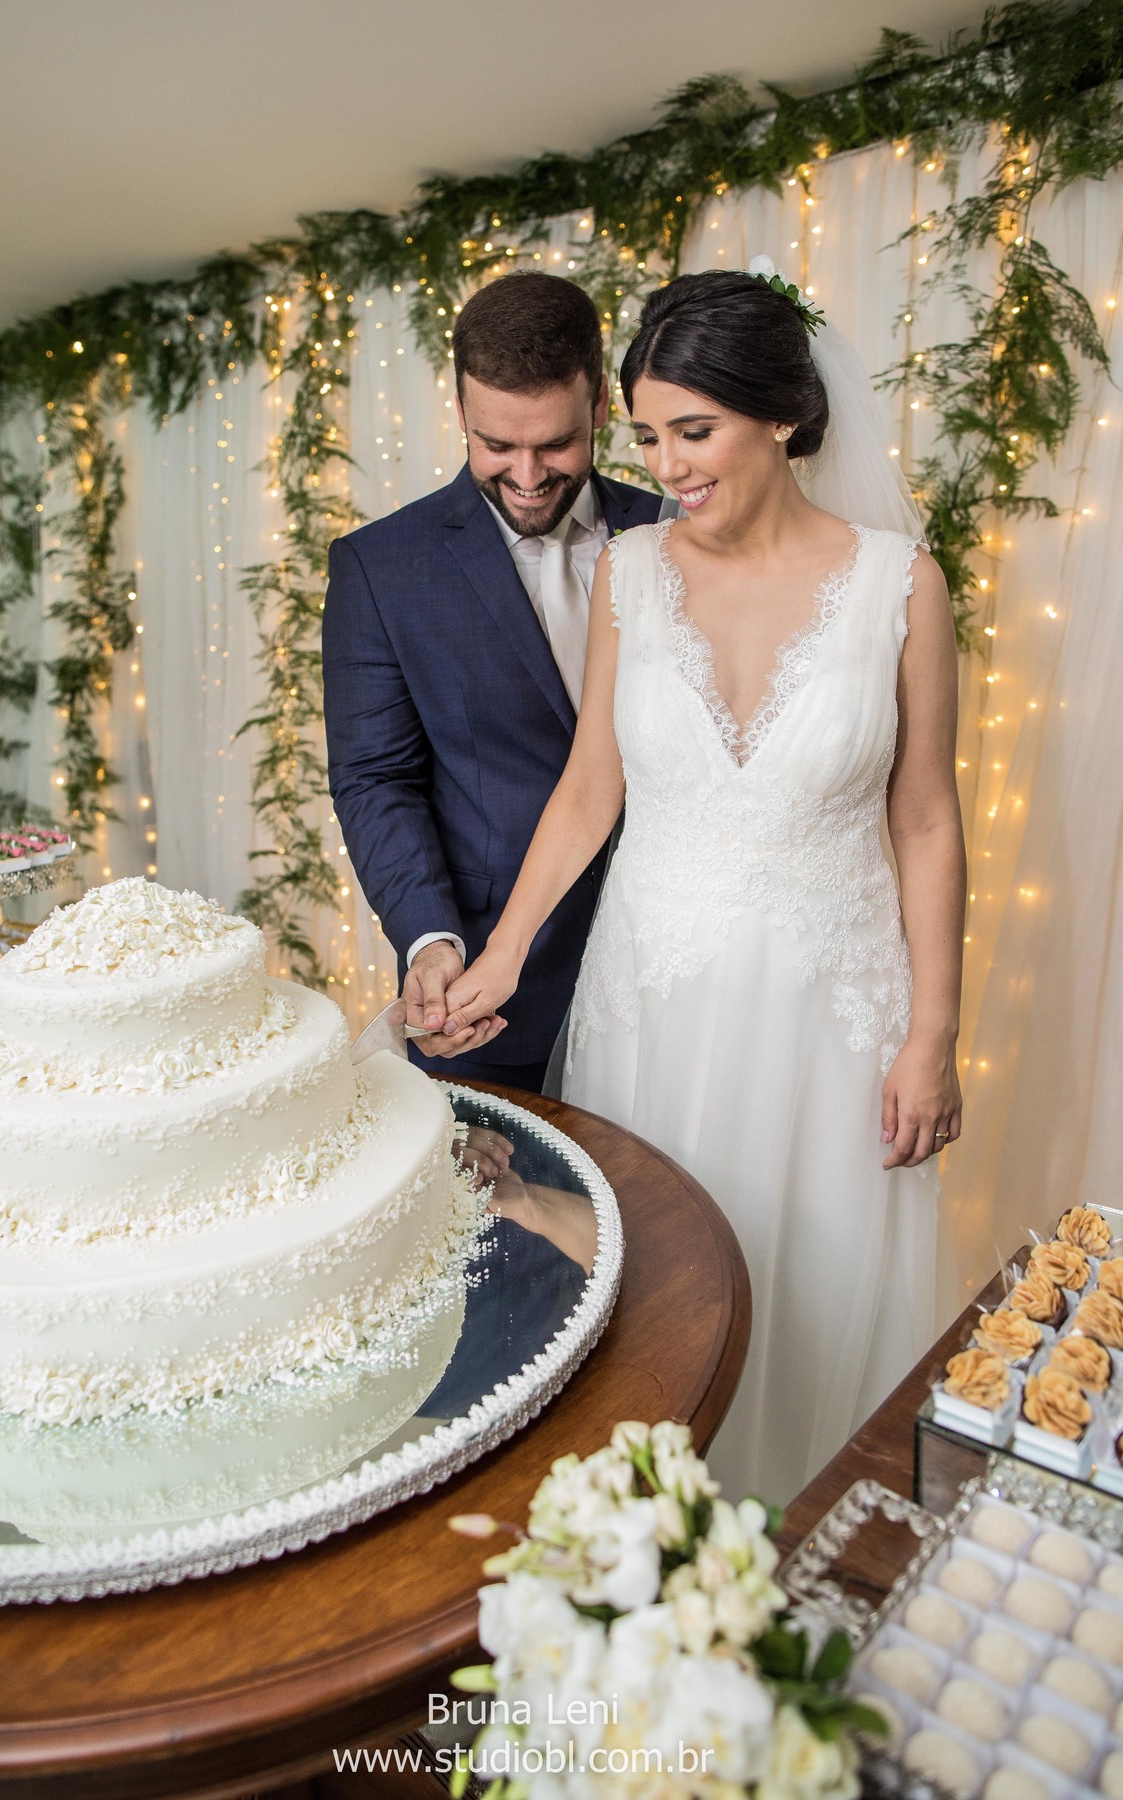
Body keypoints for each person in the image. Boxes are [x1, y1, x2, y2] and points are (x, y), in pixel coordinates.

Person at [436, 269, 966, 1503]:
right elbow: (588, 791)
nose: (667, 465)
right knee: (653, 1315)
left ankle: (803, 1589)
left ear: (781, 414)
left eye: (695, 431)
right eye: (647, 436)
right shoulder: (631, 570)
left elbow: (929, 818)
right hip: (651, 1006)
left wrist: (934, 1035)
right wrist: (504, 955)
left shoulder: (901, 585)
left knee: (818, 1304)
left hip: (831, 1020)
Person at [322, 272, 662, 1092]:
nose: (528, 474)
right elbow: (376, 779)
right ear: (461, 413)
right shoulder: (380, 569)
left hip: (677, 978)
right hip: (493, 991)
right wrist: (430, 941)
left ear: (602, 413)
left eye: (556, 444)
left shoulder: (675, 530)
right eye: (496, 445)